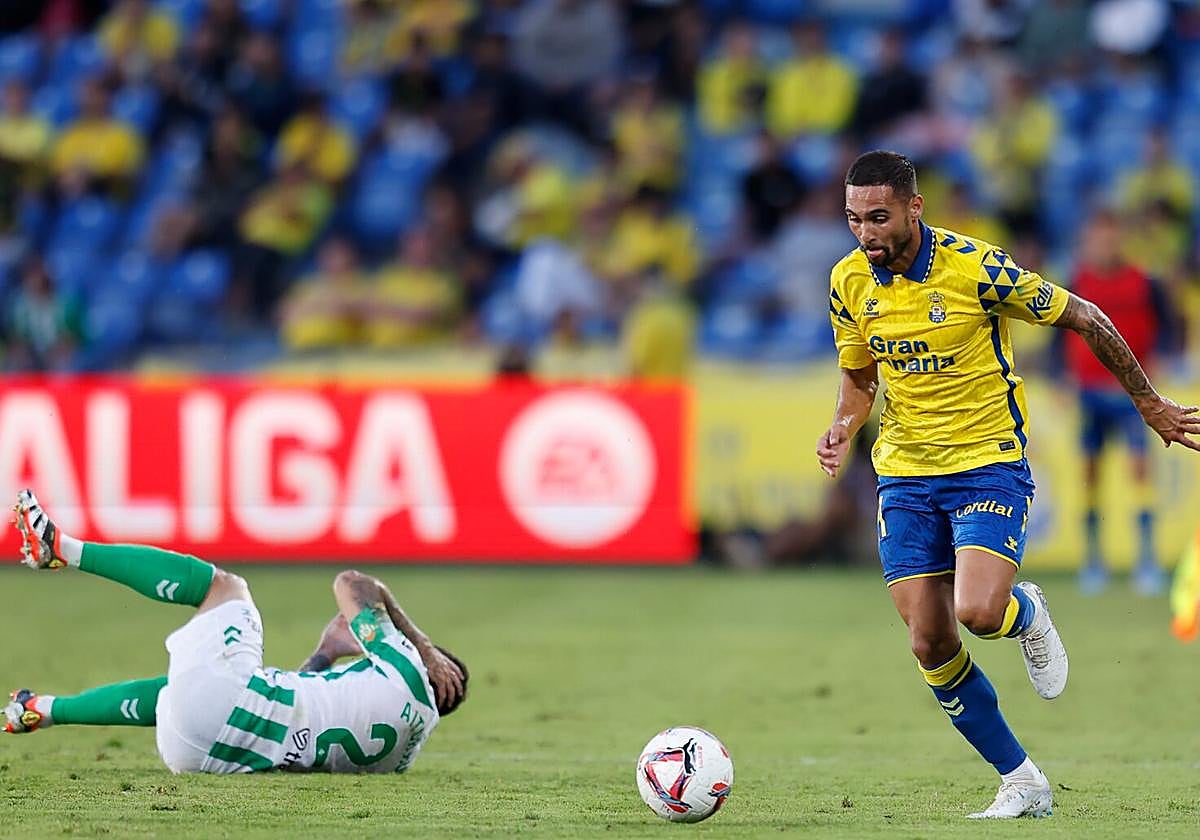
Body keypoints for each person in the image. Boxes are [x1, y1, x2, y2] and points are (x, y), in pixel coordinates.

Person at [817, 151, 1200, 819]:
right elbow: (859, 376)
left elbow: (1088, 318)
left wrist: (1148, 402)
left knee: (979, 613)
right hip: (904, 473)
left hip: (985, 463)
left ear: (915, 208)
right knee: (928, 641)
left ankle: (1027, 612)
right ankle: (1021, 780)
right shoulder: (848, 281)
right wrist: (845, 425)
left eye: (879, 217)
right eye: (854, 219)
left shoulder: (978, 269)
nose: (867, 234)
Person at [3, 490, 467, 775]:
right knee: (182, 690)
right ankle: (39, 710)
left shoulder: (408, 660)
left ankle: (61, 549)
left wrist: (422, 644)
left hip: (223, 712)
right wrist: (325, 654)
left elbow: (352, 583)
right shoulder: (401, 756)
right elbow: (298, 714)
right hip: (199, 753)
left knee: (226, 587)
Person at [1063, 209, 1171, 594]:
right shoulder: (1077, 281)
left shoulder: (1145, 282)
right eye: (1097, 238)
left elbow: (1166, 327)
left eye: (1110, 237)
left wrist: (1157, 364)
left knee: (1139, 472)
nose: (1104, 245)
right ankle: (1093, 561)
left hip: (1129, 395)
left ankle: (1147, 560)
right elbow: (1060, 333)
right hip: (1090, 394)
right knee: (1090, 475)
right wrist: (1064, 375)